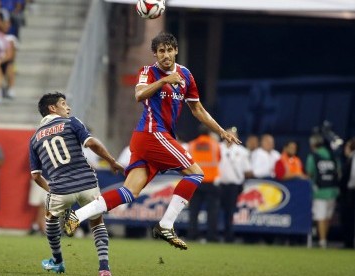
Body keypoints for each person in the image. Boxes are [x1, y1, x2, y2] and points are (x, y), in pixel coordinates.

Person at [63, 32, 240, 250]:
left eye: (169, 50)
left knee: (129, 193)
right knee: (196, 173)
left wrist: (221, 131)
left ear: (175, 50)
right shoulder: (149, 72)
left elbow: (197, 109)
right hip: (152, 134)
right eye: (160, 51)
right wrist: (165, 80)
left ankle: (76, 215)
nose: (165, 55)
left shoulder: (186, 75)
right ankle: (166, 225)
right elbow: (139, 95)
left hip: (154, 139)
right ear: (155, 54)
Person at [29, 92, 124, 275]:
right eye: (63, 103)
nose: (68, 107)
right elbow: (92, 144)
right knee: (97, 221)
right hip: (87, 183)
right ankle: (104, 268)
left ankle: (57, 261)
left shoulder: (34, 139)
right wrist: (111, 161)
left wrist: (52, 191)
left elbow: (35, 176)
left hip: (60, 189)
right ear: (52, 108)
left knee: (50, 219)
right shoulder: (72, 122)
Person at [218, 127, 253, 243]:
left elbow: (247, 170)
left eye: (233, 135)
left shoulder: (242, 151)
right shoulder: (218, 148)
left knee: (230, 211)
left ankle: (228, 236)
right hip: (219, 184)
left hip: (234, 185)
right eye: (228, 134)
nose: (230, 137)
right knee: (216, 210)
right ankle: (214, 234)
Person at [187, 125, 221, 242]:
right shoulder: (215, 145)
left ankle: (192, 234)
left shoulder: (191, 145)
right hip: (211, 182)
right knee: (212, 211)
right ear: (209, 133)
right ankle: (211, 236)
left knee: (193, 210)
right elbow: (219, 159)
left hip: (196, 181)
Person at [306, 134, 339, 248]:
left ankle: (322, 241)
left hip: (319, 191)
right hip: (333, 190)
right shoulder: (332, 155)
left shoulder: (313, 156)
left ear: (313, 144)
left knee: (320, 216)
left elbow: (309, 173)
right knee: (327, 217)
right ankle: (324, 239)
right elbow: (338, 172)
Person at [339, 137, 355, 248]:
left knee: (349, 218)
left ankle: (348, 243)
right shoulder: (350, 158)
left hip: (352, 192)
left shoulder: (353, 158)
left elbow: (352, 176)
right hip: (349, 192)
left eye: (346, 146)